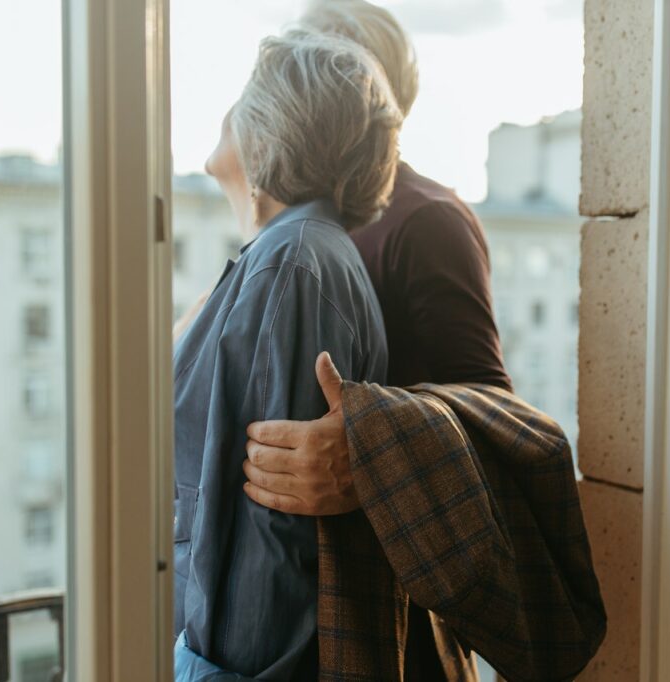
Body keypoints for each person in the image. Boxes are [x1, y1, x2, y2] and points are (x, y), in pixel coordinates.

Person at [241, 3, 604, 681]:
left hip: (386, 629)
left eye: (313, 59)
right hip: (284, 616)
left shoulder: (427, 219)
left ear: (363, 82)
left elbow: (502, 418)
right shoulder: (291, 228)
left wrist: (371, 451)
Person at [171, 29, 401, 680]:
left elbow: (267, 531)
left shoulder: (293, 264)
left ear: (277, 126)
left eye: (244, 97)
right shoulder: (294, 255)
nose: (225, 114)